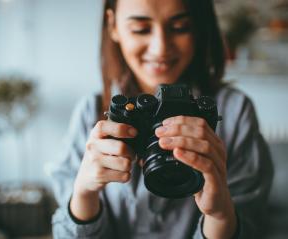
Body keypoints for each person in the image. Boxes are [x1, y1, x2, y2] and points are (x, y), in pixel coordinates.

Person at [50, 0, 273, 238]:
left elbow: (253, 226)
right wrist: (84, 195)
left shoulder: (234, 112)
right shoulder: (90, 113)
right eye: (141, 29)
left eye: (180, 27)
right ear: (113, 25)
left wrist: (220, 216)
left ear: (199, 26)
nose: (161, 48)